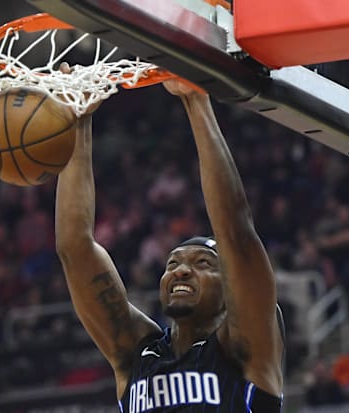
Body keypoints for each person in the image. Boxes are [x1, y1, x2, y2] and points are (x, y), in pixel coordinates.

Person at [54, 77, 284, 412]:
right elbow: (74, 248)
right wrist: (78, 120)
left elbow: (236, 233)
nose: (181, 271)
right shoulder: (137, 355)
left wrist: (195, 101)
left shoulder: (244, 345)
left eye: (203, 263)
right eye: (172, 264)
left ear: (229, 287)